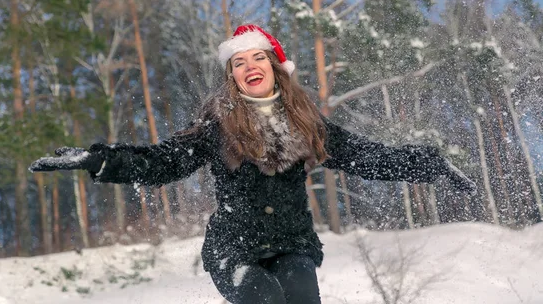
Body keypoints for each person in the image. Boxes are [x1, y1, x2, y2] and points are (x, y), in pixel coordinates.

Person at [29, 24, 476, 304]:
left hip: (292, 245)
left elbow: (368, 156)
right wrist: (103, 160)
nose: (248, 66)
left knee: (300, 297)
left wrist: (429, 164)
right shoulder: (216, 125)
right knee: (263, 300)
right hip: (234, 248)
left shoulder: (309, 126)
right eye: (238, 63)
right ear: (233, 76)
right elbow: (162, 161)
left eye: (257, 57)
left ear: (275, 67)